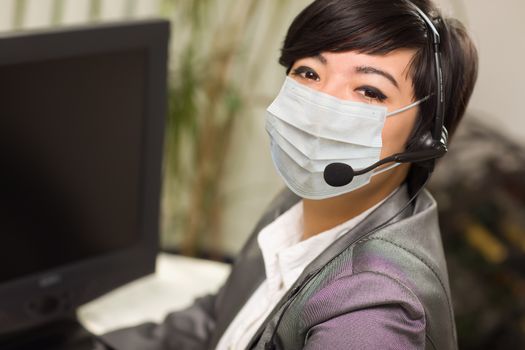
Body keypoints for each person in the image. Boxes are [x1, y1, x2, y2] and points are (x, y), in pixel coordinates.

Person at [98, 0, 478, 349]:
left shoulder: (374, 316)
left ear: (424, 137)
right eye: (309, 72)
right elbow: (218, 319)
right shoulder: (306, 202)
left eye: (369, 91)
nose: (321, 103)